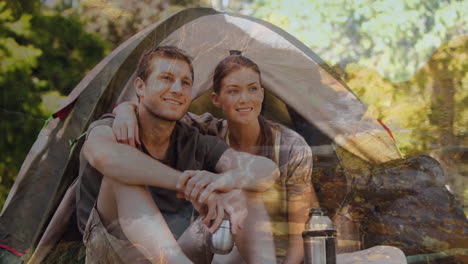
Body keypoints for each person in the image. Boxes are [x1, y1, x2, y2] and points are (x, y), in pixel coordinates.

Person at [75, 46, 279, 264]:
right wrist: (187, 184)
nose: (177, 89)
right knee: (121, 178)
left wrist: (224, 180)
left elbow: (268, 170)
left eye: (185, 83)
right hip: (115, 256)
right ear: (140, 86)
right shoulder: (111, 127)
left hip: (177, 253)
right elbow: (104, 157)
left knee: (245, 191)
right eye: (166, 78)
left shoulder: (194, 140)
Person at [113, 52, 319, 263]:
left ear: (262, 94)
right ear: (216, 99)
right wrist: (125, 110)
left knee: (244, 190)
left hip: (278, 256)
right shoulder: (205, 131)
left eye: (253, 89)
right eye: (233, 91)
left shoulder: (290, 146)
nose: (245, 98)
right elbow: (158, 110)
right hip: (225, 244)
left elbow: (299, 235)